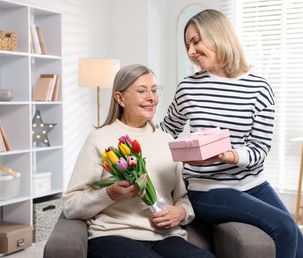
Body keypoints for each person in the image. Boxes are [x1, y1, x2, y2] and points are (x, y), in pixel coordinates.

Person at [159, 9, 303, 258]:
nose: (190, 51)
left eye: (196, 41)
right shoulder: (188, 88)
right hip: (207, 189)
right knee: (284, 227)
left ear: (218, 35)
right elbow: (166, 132)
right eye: (187, 44)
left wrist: (228, 155)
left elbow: (259, 150)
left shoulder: (259, 88)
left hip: (254, 185)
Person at [62, 64, 214, 258]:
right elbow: (71, 205)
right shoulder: (99, 139)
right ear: (120, 98)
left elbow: (181, 198)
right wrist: (112, 192)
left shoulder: (167, 140)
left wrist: (182, 213)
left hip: (166, 237)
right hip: (113, 235)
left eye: (154, 90)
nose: (151, 98)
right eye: (142, 91)